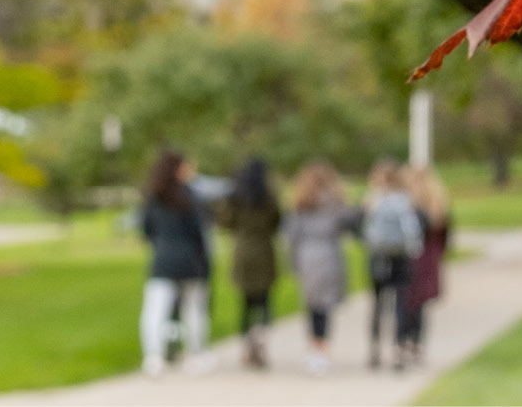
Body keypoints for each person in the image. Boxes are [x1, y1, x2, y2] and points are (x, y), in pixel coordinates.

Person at [132, 151, 212, 375]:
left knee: (155, 311)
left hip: (163, 260)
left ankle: (153, 356)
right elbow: (199, 232)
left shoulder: (153, 197)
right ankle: (195, 354)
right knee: (193, 311)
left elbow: (147, 229)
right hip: (190, 261)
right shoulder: (191, 197)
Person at [281, 162, 357, 374]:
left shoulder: (301, 203)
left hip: (307, 256)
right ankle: (322, 348)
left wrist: (292, 262)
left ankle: (314, 347)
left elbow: (291, 235)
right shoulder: (335, 202)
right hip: (330, 254)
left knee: (312, 304)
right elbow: (348, 225)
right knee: (325, 305)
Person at [211, 157, 283, 370]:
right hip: (264, 251)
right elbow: (277, 222)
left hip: (242, 252)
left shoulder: (236, 198)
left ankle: (246, 345)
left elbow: (225, 222)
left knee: (245, 303)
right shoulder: (269, 197)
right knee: (264, 301)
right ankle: (260, 339)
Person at [358, 162, 425, 371]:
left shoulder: (373, 200)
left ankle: (375, 348)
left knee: (378, 305)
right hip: (401, 257)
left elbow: (363, 229)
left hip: (379, 257)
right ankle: (398, 348)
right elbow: (414, 228)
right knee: (400, 304)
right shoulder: (405, 200)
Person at [397, 168, 454, 371]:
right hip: (430, 257)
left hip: (410, 257)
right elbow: (446, 235)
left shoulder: (408, 206)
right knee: (419, 305)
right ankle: (416, 344)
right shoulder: (437, 205)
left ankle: (403, 342)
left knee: (405, 302)